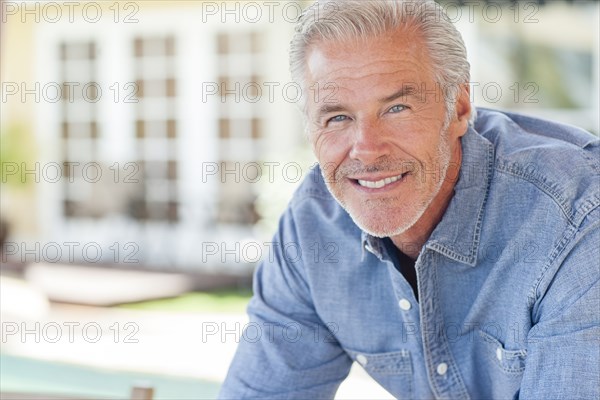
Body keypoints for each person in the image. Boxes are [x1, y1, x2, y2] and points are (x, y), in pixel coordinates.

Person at [218, 1, 600, 398]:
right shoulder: (314, 223)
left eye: (397, 108)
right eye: (337, 118)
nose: (365, 149)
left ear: (460, 107)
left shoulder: (577, 217)